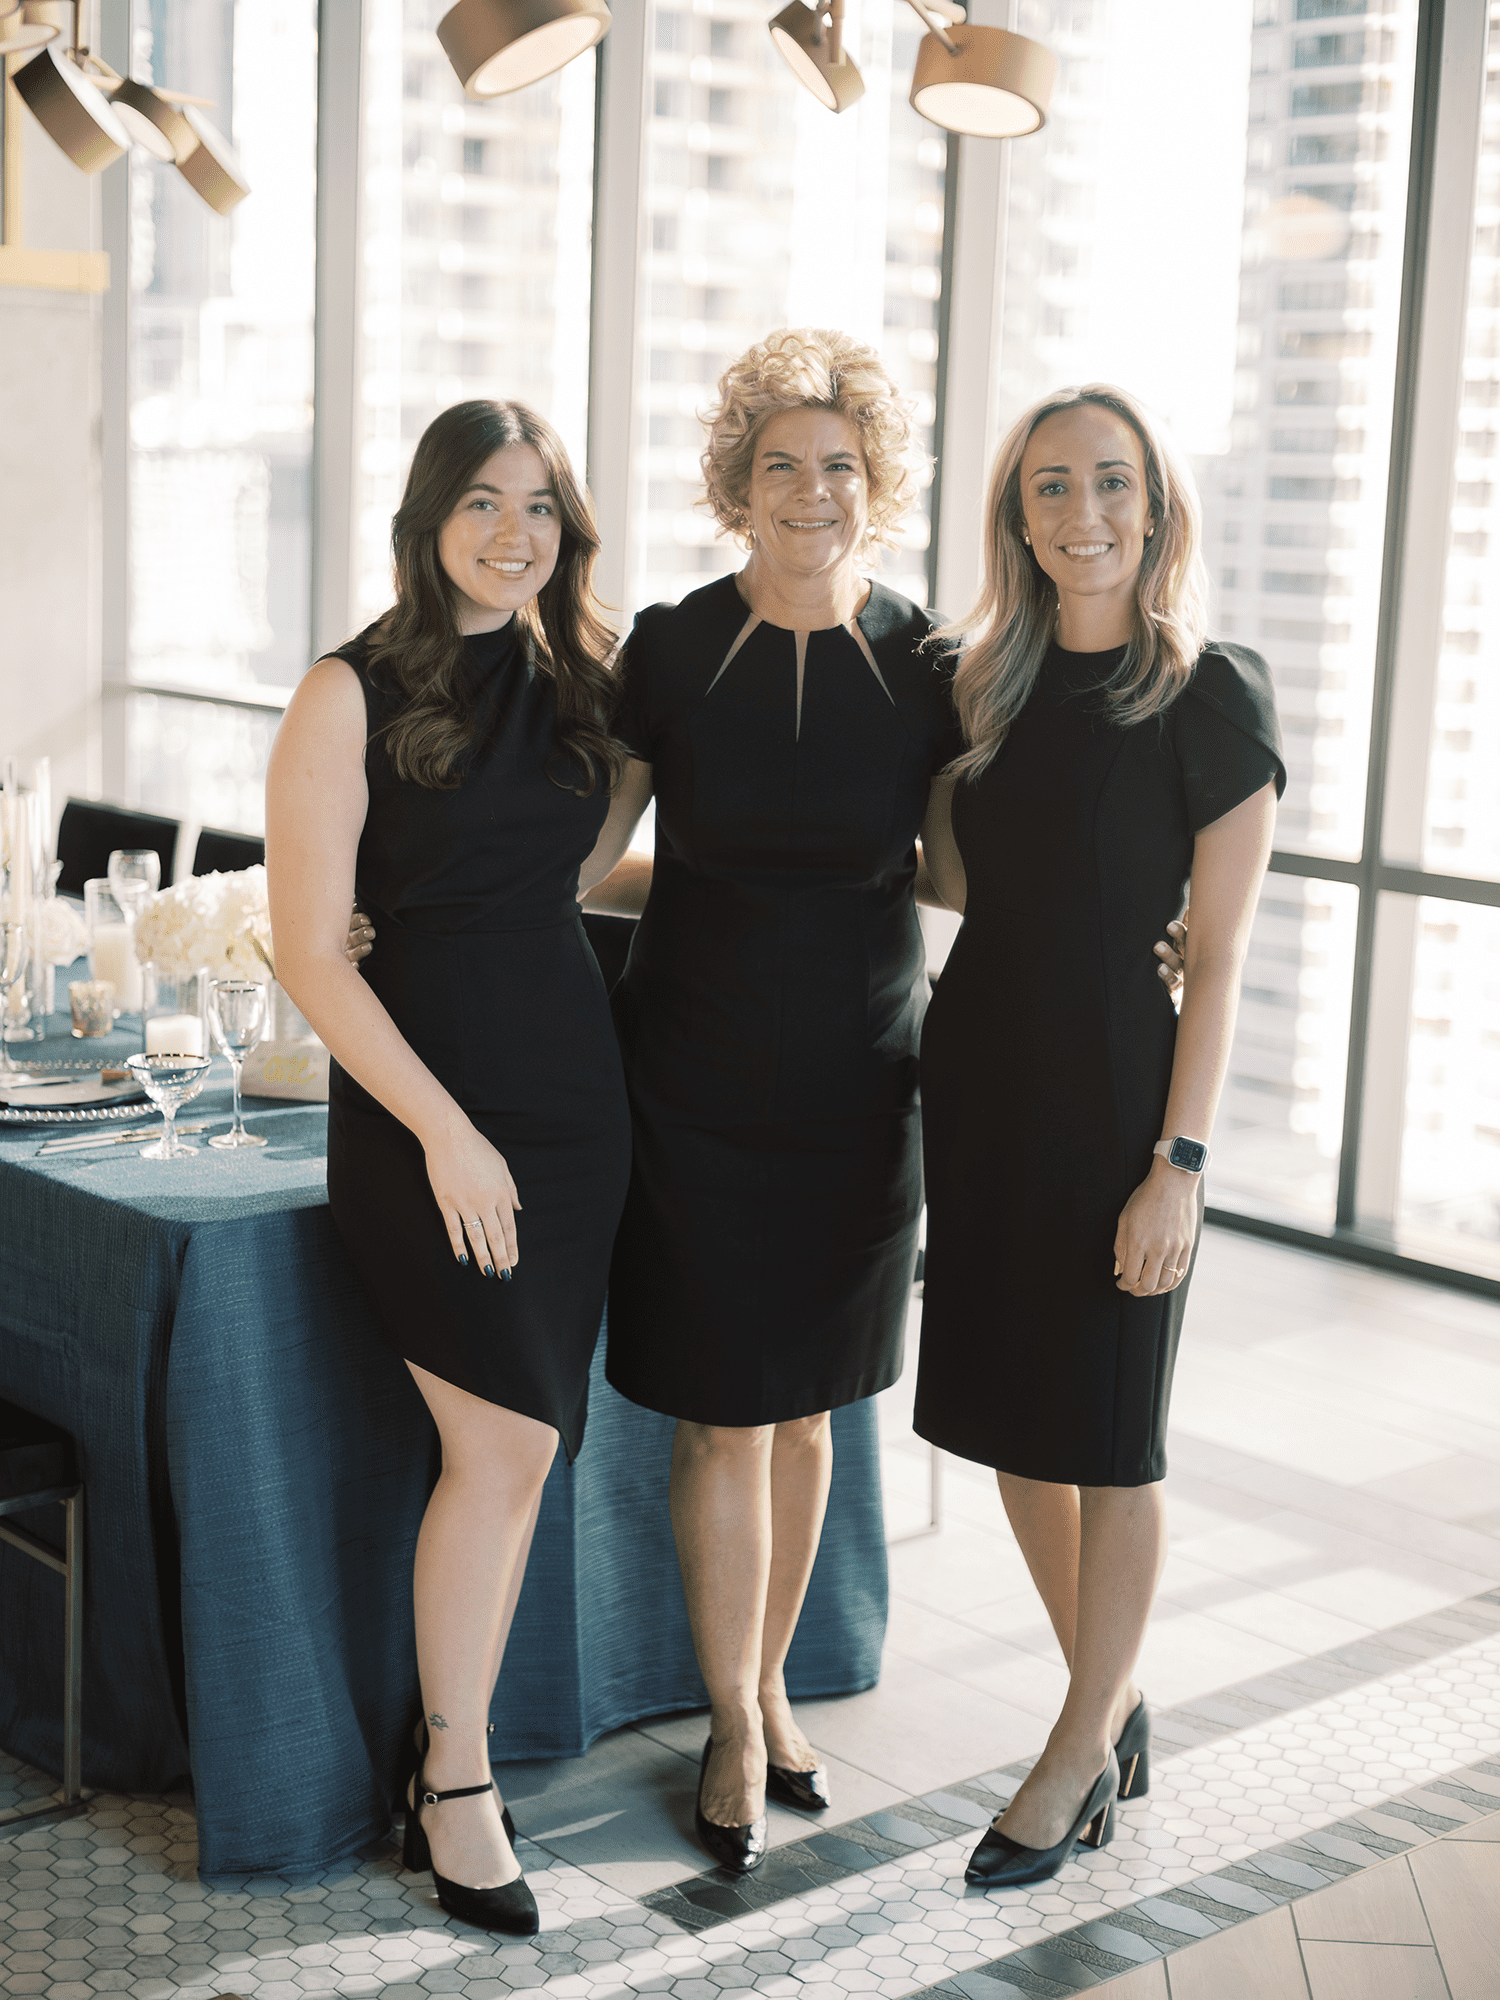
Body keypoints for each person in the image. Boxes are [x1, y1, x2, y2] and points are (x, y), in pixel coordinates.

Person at [578, 333, 1188, 1873]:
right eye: (778, 463)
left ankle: (780, 1689)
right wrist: (398, 910)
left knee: (813, 1413)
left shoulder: (933, 667)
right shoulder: (666, 648)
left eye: (838, 464)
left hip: (867, 1082)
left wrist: (1151, 919)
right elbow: (587, 860)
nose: (810, 489)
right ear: (736, 482)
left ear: (878, 486)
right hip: (694, 1078)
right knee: (724, 1415)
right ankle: (732, 1716)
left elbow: (964, 872)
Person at [265, 400, 633, 1934]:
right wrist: (447, 1131)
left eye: (538, 506)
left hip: (572, 1110)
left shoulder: (580, 690)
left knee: (527, 1445)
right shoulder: (343, 693)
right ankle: (457, 1780)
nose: (511, 534)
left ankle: (452, 1750)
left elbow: (585, 868)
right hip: (433, 1124)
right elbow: (308, 953)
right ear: (427, 518)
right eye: (481, 503)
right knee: (505, 1451)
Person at [915, 384, 1283, 1890]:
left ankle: (1072, 1753)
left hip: (1124, 1113)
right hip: (986, 1096)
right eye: (1053, 485)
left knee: (1114, 1444)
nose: (1085, 513)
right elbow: (953, 882)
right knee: (1017, 1428)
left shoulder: (1211, 693)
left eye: (1112, 482)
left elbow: (1223, 954)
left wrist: (1177, 1166)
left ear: (1156, 503)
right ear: (1018, 514)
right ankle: (1111, 1694)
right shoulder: (980, 686)